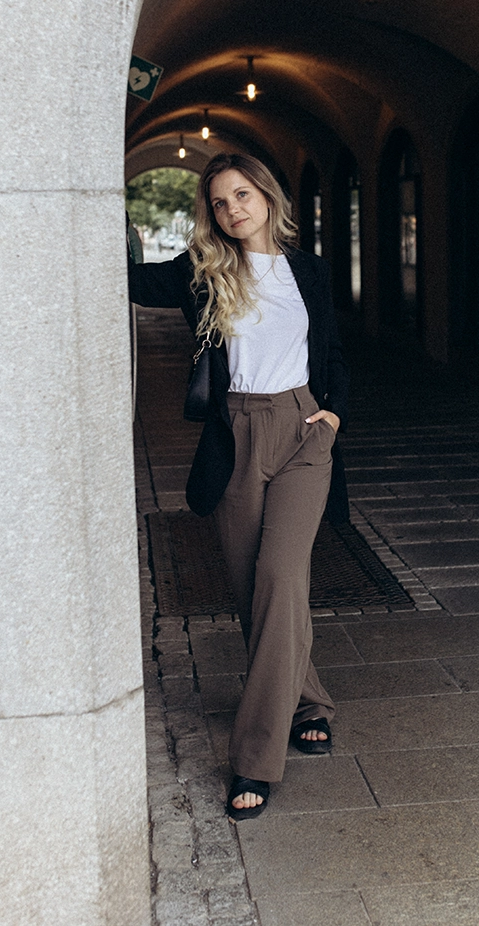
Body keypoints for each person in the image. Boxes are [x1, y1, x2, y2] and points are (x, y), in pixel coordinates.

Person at [128, 152, 349, 821]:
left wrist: (333, 412)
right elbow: (130, 280)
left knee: (282, 577)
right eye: (220, 203)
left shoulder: (309, 269)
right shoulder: (203, 272)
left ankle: (254, 758)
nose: (232, 210)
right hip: (235, 436)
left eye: (242, 195)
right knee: (255, 594)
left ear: (267, 196)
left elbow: (334, 350)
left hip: (303, 430)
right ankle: (309, 702)